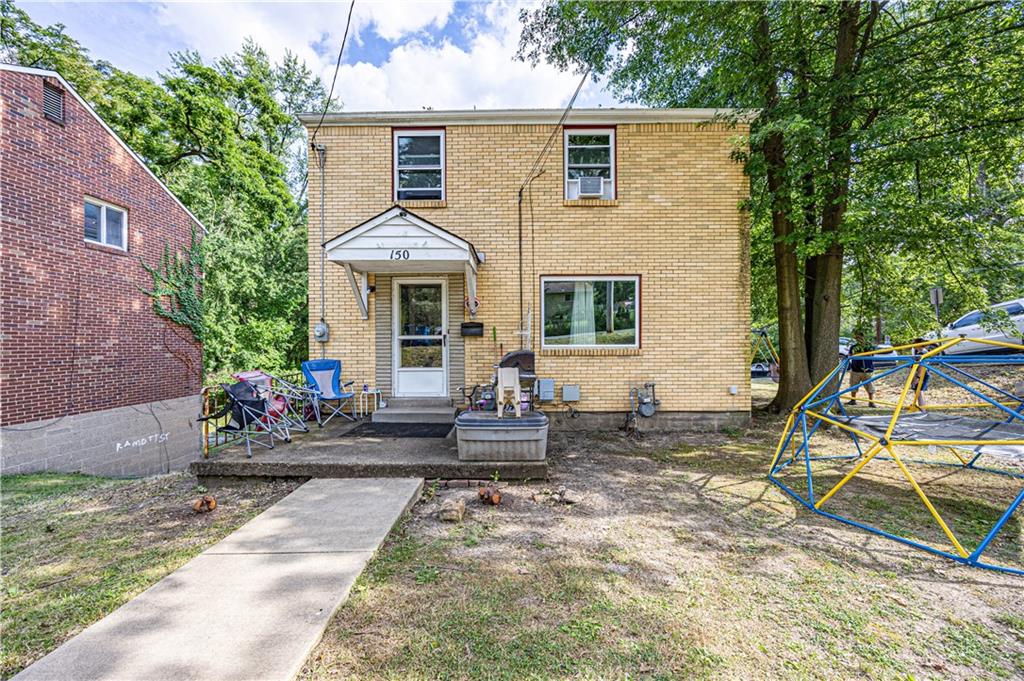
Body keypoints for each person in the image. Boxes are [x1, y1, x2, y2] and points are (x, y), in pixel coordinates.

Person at [846, 332, 876, 408]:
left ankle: (871, 402)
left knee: (869, 386)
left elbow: (872, 355)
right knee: (853, 385)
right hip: (856, 369)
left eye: (860, 337)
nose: (859, 339)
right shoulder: (853, 347)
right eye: (857, 338)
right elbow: (850, 356)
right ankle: (853, 400)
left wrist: (863, 352)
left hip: (868, 369)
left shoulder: (869, 346)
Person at [910, 339, 937, 409]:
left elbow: (922, 366)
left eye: (914, 344)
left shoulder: (922, 353)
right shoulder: (921, 352)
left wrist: (917, 377)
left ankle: (923, 409)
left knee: (919, 392)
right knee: (918, 392)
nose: (913, 345)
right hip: (922, 373)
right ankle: (921, 408)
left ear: (918, 344)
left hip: (922, 374)